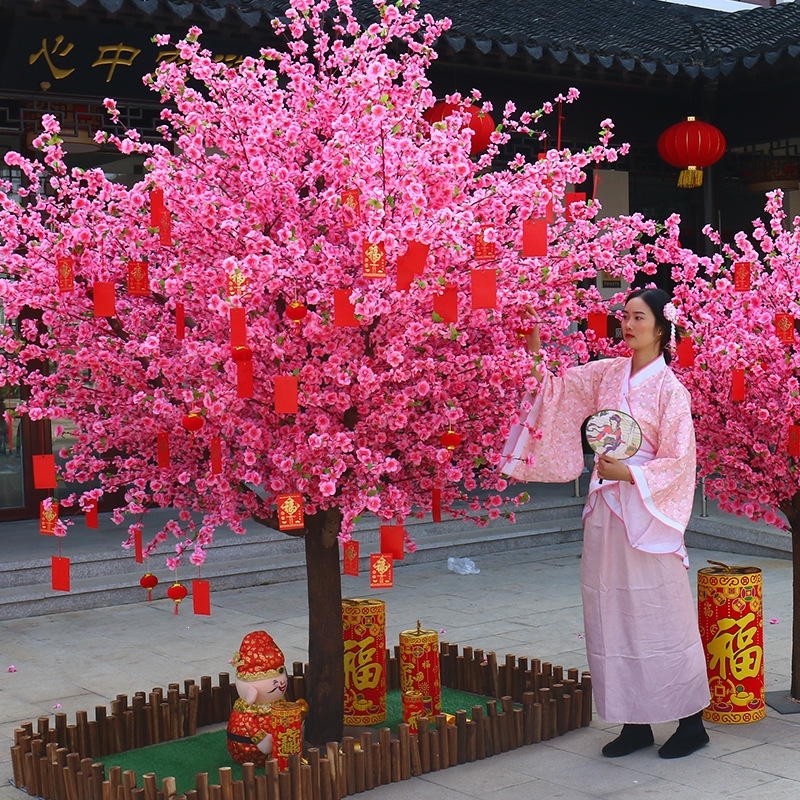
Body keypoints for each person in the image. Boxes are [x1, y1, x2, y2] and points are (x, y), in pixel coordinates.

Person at [501, 287, 711, 759]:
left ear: (661, 328)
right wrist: (533, 338)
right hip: (605, 508)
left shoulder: (670, 390)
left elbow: (681, 460)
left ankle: (690, 721)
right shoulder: (607, 374)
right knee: (610, 612)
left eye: (639, 317)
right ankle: (633, 721)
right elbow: (554, 389)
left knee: (663, 614)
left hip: (648, 512)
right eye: (625, 317)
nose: (628, 325)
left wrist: (633, 472)